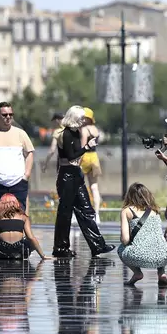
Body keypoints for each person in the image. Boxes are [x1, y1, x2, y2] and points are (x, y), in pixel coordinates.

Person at [50, 106, 113, 258]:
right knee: (65, 213)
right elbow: (72, 156)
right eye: (81, 118)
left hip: (76, 174)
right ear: (73, 118)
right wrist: (87, 147)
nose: (83, 121)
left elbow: (76, 156)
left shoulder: (76, 132)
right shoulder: (65, 133)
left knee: (86, 210)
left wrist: (85, 148)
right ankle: (61, 248)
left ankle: (98, 245)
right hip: (67, 177)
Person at [0, 102, 35, 210]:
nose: (8, 117)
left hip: (18, 183)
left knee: (20, 216)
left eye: (10, 114)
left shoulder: (20, 133)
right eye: (4, 115)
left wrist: (26, 175)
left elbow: (30, 153)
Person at [117, 183, 167, 287]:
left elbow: (125, 240)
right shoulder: (155, 211)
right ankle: (161, 272)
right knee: (158, 245)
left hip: (139, 256)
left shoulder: (127, 211)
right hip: (164, 256)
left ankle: (137, 273)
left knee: (121, 249)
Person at [79, 107, 103, 222]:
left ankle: (78, 213)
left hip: (86, 157)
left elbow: (83, 147)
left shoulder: (84, 130)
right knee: (94, 187)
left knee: (78, 185)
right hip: (94, 157)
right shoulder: (95, 129)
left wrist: (78, 161)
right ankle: (97, 214)